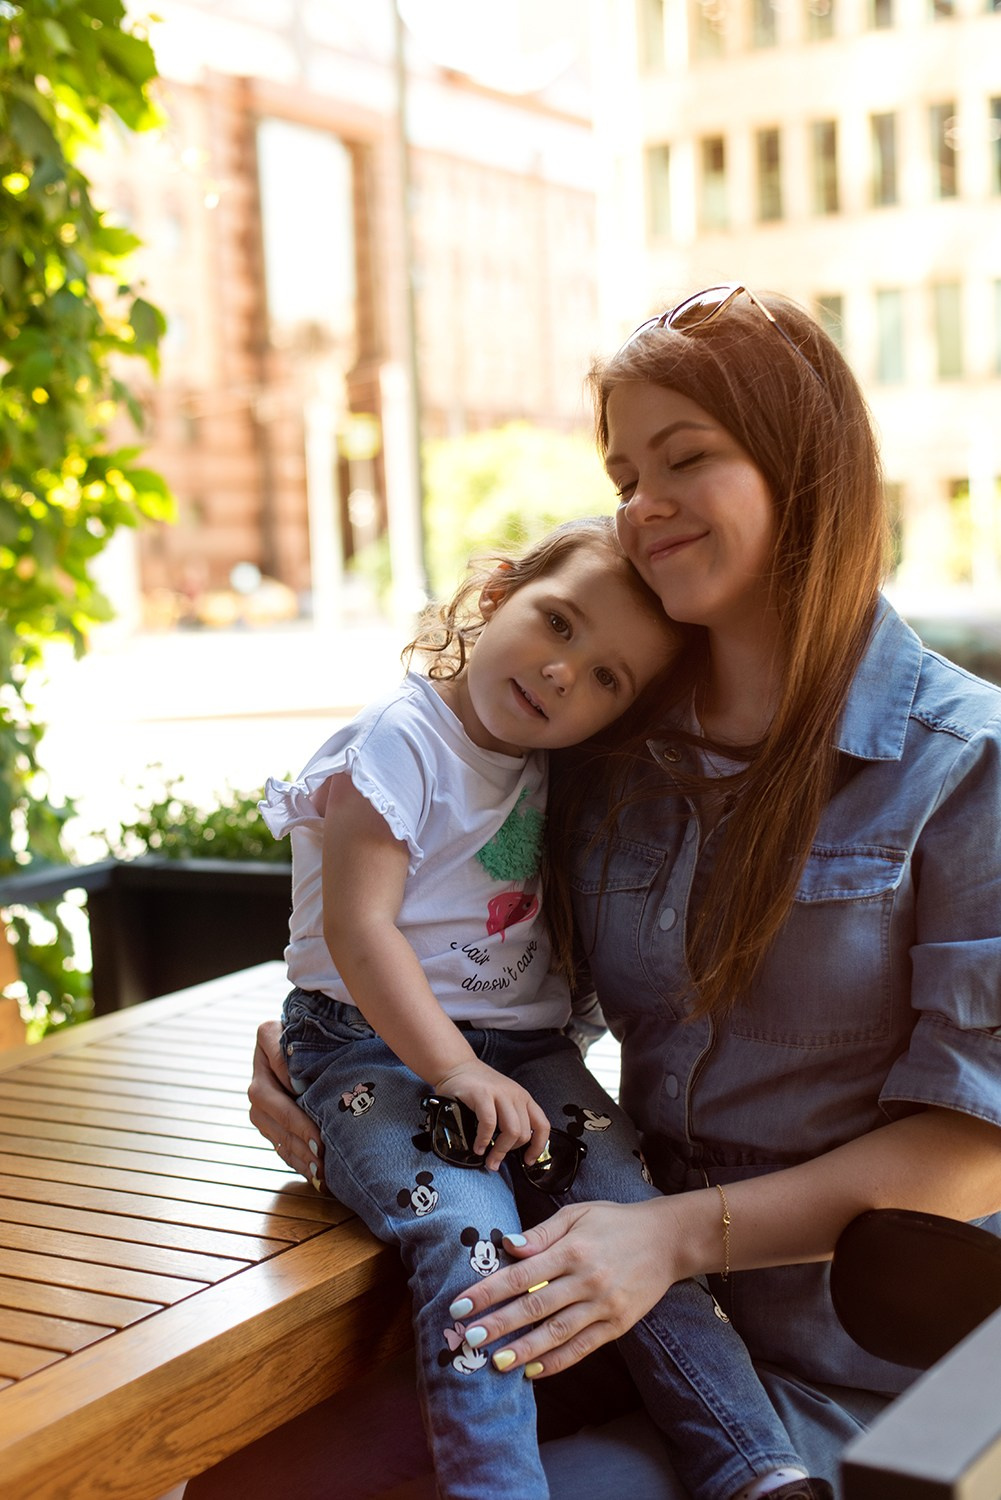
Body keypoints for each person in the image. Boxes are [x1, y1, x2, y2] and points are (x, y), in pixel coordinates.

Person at [205, 285, 1001, 1499]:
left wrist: (669, 1238)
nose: (640, 507)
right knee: (249, 1478)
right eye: (625, 473)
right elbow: (491, 985)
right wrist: (337, 1078)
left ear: (807, 473)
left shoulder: (966, 764)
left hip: (870, 1378)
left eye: (685, 458)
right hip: (605, 1290)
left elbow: (971, 1152)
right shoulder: (604, 750)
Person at [252, 514, 833, 1500]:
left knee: (626, 1220)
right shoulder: (400, 743)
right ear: (492, 597)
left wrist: (490, 1064)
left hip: (521, 1052)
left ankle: (756, 1467)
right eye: (557, 625)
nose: (564, 674)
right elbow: (358, 932)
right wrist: (456, 1071)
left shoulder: (543, 765)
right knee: (470, 1240)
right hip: (383, 1052)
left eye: (606, 678)